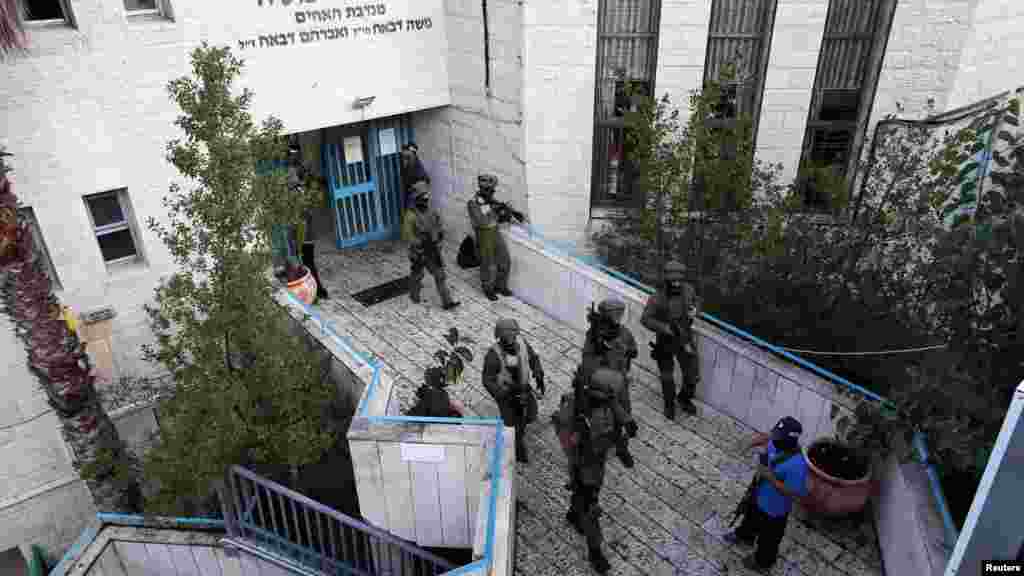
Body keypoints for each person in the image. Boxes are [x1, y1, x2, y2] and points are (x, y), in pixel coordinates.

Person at [552, 367, 638, 574]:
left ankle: (574, 514)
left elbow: (615, 407)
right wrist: (579, 442)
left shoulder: (604, 401)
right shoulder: (574, 409)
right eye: (609, 396)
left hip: (597, 463)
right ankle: (595, 552)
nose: (612, 399)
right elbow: (565, 439)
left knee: (586, 500)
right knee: (591, 510)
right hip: (583, 467)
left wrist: (627, 421)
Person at [723, 416, 809, 573]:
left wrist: (770, 477)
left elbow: (793, 493)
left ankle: (762, 563)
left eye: (778, 437)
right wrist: (748, 443)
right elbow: (766, 437)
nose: (773, 439)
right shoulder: (777, 440)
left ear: (789, 441)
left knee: (769, 540)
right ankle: (745, 537)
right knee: (750, 518)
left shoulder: (798, 465)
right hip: (758, 495)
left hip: (774, 510)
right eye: (775, 434)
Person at [581, 298, 638, 468]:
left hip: (620, 382)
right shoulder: (594, 336)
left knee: (624, 413)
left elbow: (633, 350)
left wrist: (627, 351)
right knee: (600, 420)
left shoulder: (624, 332)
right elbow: (587, 363)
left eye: (620, 313)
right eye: (615, 313)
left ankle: (621, 447)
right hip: (602, 385)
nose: (619, 316)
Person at [641, 260, 700, 419]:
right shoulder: (657, 297)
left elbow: (696, 301)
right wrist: (664, 328)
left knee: (692, 375)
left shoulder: (689, 290)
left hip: (685, 337)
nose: (676, 283)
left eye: (679, 280)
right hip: (665, 340)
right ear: (667, 279)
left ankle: (684, 399)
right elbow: (645, 319)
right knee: (667, 377)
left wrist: (695, 311)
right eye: (673, 280)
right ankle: (669, 404)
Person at [482, 318, 545, 463]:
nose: (511, 340)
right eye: (507, 337)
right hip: (507, 396)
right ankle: (516, 447)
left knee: (531, 414)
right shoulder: (493, 355)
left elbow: (533, 358)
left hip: (524, 389)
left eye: (513, 336)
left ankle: (520, 431)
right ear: (500, 337)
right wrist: (502, 394)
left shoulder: (522, 343)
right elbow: (487, 380)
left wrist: (538, 373)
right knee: (512, 426)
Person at [407, 184, 460, 311]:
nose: (425, 201)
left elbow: (439, 225)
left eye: (426, 198)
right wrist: (420, 243)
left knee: (440, 275)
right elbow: (408, 236)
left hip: (433, 251)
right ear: (416, 200)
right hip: (419, 252)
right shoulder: (410, 216)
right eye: (422, 198)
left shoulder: (432, 211)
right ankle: (414, 295)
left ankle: (447, 301)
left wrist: (439, 237)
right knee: (417, 275)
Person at [467, 174, 512, 301]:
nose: (491, 193)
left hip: (495, 232)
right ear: (482, 188)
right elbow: (481, 221)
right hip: (484, 234)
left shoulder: (490, 201)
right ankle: (488, 289)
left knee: (505, 260)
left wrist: (506, 212)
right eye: (488, 190)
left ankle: (501, 286)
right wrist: (496, 212)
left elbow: (496, 216)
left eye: (492, 190)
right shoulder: (473, 202)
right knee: (488, 264)